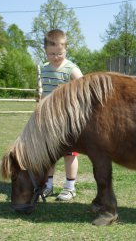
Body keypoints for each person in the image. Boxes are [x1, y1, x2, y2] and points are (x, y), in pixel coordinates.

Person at [40, 29, 83, 201]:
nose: (56, 57)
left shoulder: (71, 69)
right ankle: (48, 185)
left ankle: (70, 187)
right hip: (49, 120)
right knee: (49, 154)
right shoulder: (44, 68)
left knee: (69, 154)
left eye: (60, 53)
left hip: (67, 120)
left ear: (65, 50)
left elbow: (83, 88)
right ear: (45, 50)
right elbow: (44, 93)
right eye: (52, 53)